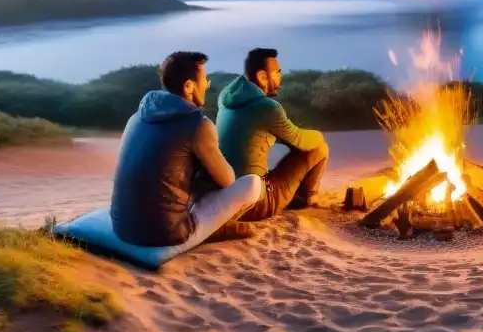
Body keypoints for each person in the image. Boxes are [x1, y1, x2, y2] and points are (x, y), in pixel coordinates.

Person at [110, 51, 262, 247]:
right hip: (166, 233)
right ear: (189, 86)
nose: (207, 84)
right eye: (204, 79)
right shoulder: (198, 124)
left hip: (121, 227)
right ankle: (215, 229)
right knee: (252, 184)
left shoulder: (136, 117)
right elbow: (228, 180)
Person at [217, 48, 330, 220]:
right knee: (319, 148)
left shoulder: (226, 99)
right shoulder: (267, 108)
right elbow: (301, 141)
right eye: (277, 73)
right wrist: (320, 134)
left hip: (223, 196)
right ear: (262, 76)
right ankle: (306, 199)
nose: (280, 78)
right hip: (255, 202)